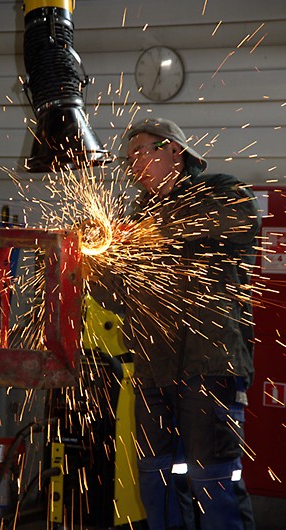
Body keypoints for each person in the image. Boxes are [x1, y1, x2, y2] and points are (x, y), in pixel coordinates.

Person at [121, 119, 261, 530]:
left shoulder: (221, 191)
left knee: (211, 480)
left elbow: (238, 224)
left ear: (174, 152)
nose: (135, 164)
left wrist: (150, 234)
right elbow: (114, 295)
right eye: (130, 158)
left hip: (209, 363)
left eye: (143, 151)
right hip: (153, 368)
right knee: (157, 478)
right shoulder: (136, 219)